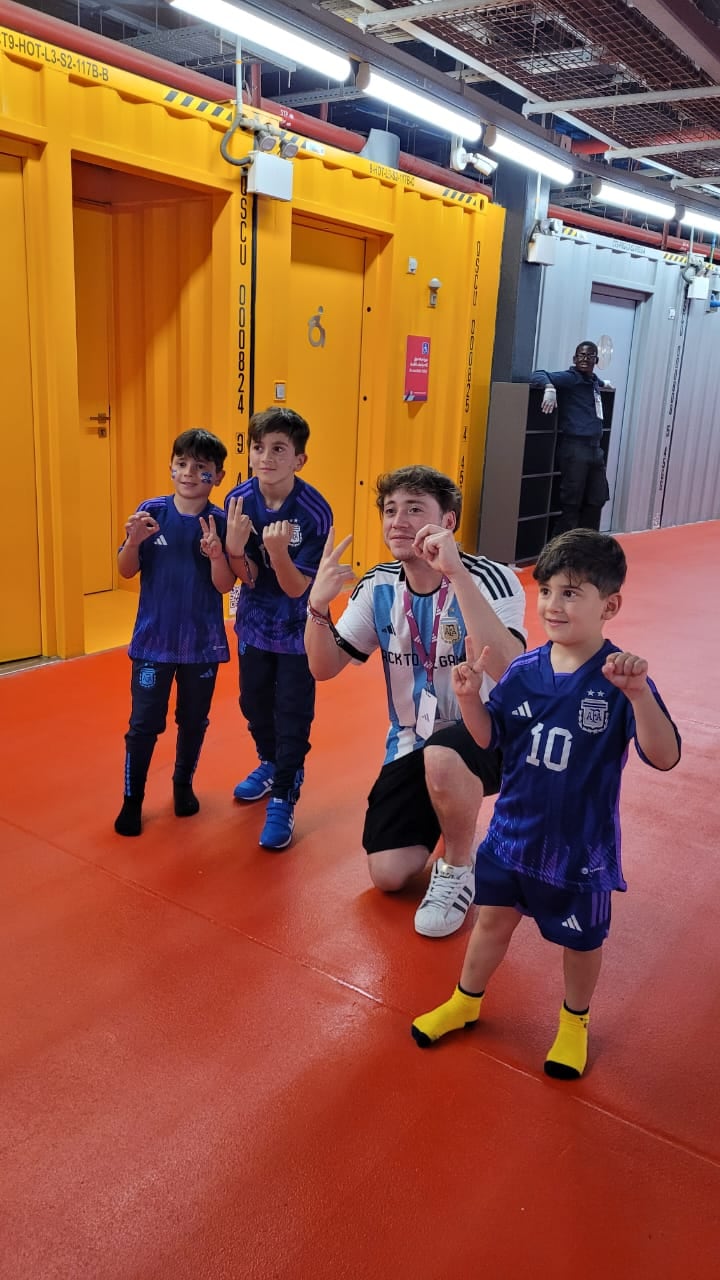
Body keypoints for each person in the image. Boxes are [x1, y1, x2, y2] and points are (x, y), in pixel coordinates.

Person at [411, 528, 680, 1078]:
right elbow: (491, 740)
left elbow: (666, 755)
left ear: (610, 606)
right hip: (513, 836)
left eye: (572, 593)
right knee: (490, 923)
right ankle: (466, 999)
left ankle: (574, 1023)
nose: (554, 605)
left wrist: (639, 694)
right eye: (547, 591)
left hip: (580, 848)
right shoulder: (525, 671)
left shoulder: (618, 677)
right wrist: (468, 701)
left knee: (580, 944)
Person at [304, 465, 526, 938]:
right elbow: (322, 668)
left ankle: (460, 866)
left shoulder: (494, 578)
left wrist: (456, 575)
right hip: (412, 738)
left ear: (448, 522)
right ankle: (450, 807)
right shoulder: (378, 585)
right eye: (390, 510)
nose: (398, 521)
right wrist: (317, 608)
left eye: (414, 509)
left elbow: (511, 668)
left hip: (490, 732)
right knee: (389, 874)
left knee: (445, 754)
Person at [114, 428, 235, 838]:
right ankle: (133, 800)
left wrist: (217, 554)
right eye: (182, 464)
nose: (189, 473)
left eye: (201, 468)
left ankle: (183, 785)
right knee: (143, 722)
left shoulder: (219, 521)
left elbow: (224, 586)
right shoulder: (151, 512)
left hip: (202, 644)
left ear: (217, 476)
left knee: (193, 720)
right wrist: (133, 540)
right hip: (154, 642)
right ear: (171, 466)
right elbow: (126, 569)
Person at [224, 407, 332, 851]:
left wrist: (279, 553)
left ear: (298, 459)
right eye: (258, 448)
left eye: (278, 449)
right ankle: (270, 763)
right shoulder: (240, 499)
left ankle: (286, 792)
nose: (265, 458)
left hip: (295, 629)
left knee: (291, 711)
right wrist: (233, 548)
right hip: (252, 622)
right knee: (252, 703)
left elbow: (295, 588)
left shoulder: (313, 510)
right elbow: (244, 576)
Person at [530, 341, 613, 533]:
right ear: (575, 359)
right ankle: (560, 552)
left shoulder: (592, 381)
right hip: (575, 449)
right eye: (581, 356)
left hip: (595, 450)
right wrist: (549, 388)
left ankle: (585, 544)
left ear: (596, 360)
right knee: (571, 504)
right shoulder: (571, 378)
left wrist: (603, 383)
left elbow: (597, 382)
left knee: (597, 498)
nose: (585, 359)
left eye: (590, 356)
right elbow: (538, 374)